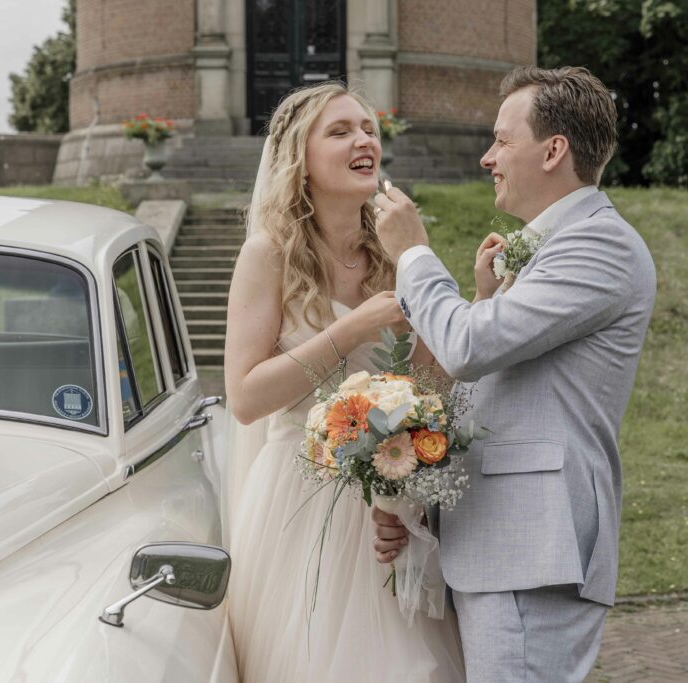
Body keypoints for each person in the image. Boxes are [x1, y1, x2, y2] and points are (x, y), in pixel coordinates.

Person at [371, 66, 657, 682]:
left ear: (554, 150)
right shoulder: (548, 249)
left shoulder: (598, 245)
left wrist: (414, 252)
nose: (486, 157)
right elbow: (484, 382)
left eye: (502, 140)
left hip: (529, 549)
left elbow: (470, 348)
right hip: (498, 544)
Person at [224, 81, 465, 682]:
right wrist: (351, 327)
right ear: (299, 161)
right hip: (297, 505)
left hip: (388, 507)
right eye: (340, 131)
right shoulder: (268, 254)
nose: (364, 140)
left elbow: (435, 387)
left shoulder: (394, 253)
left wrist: (409, 499)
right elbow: (246, 397)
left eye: (368, 129)